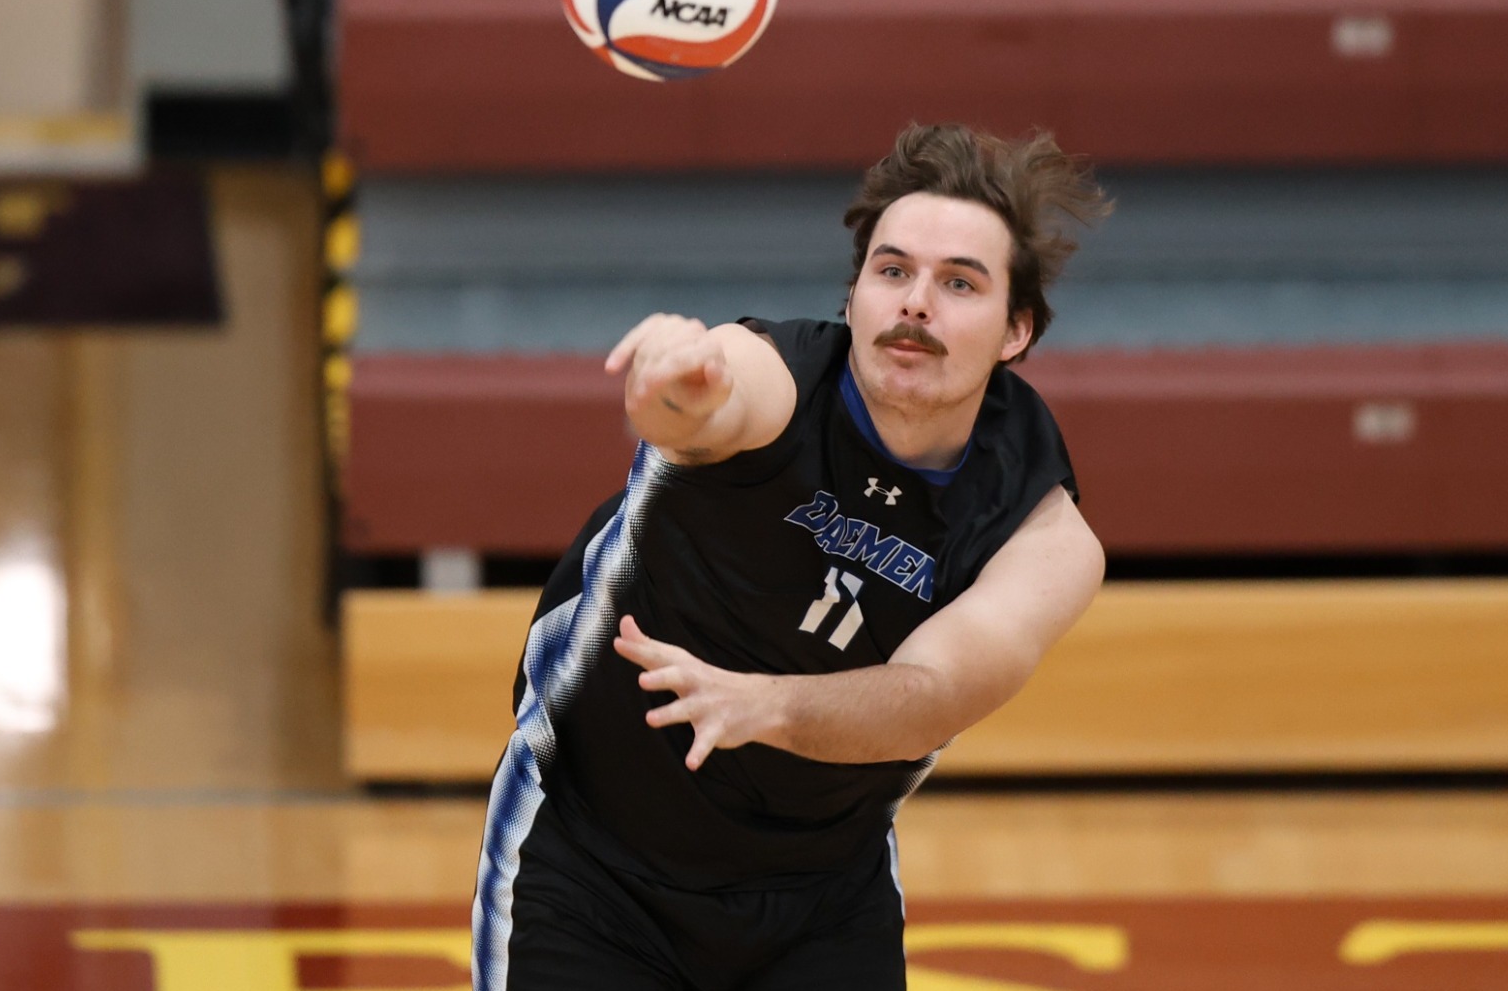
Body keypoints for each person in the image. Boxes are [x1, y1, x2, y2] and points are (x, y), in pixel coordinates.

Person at [473, 123, 1111, 990]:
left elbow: (931, 699)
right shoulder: (777, 379)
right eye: (892, 272)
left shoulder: (1044, 536)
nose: (916, 302)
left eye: (959, 282)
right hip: (589, 851)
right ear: (854, 298)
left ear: (1015, 332)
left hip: (821, 893)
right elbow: (702, 405)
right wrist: (668, 383)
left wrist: (761, 705)